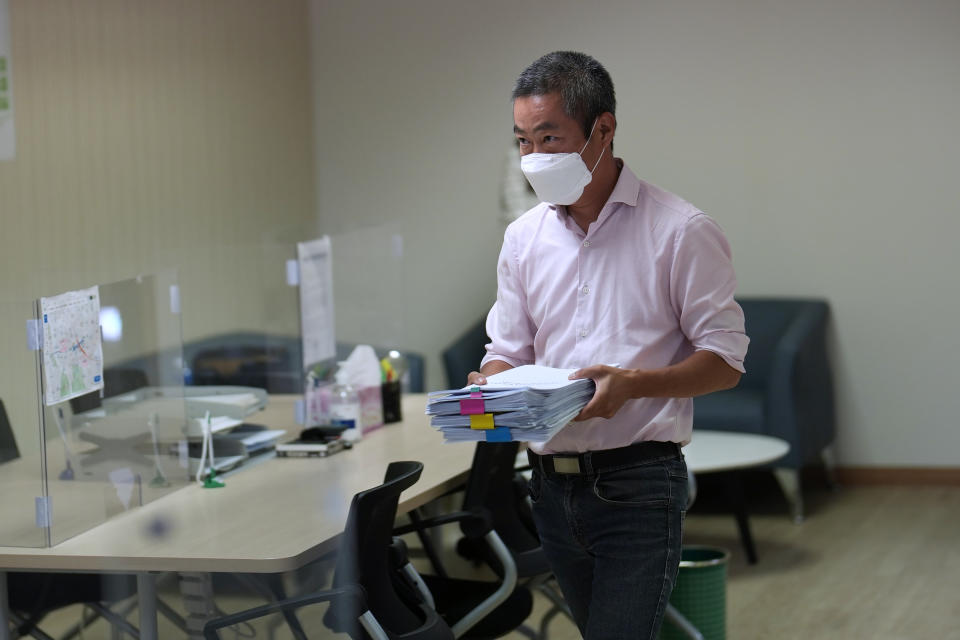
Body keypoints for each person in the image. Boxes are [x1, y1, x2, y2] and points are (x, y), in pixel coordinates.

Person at [467, 51, 749, 639]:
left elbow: (724, 362)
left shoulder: (681, 230)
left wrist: (635, 386)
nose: (533, 158)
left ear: (604, 129)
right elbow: (508, 348)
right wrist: (490, 382)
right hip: (545, 482)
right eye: (522, 141)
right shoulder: (523, 238)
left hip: (639, 481)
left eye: (550, 137)